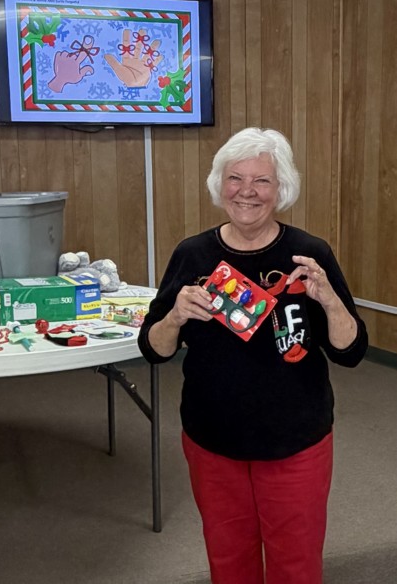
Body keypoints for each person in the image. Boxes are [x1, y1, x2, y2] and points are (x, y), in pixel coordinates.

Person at [138, 127, 368, 584]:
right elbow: (154, 349)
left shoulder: (308, 255)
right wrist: (175, 317)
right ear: (219, 184)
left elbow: (351, 351)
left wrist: (328, 299)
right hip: (212, 440)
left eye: (262, 180)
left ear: (281, 189)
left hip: (295, 441)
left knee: (296, 564)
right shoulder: (193, 254)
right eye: (235, 178)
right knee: (228, 561)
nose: (247, 191)